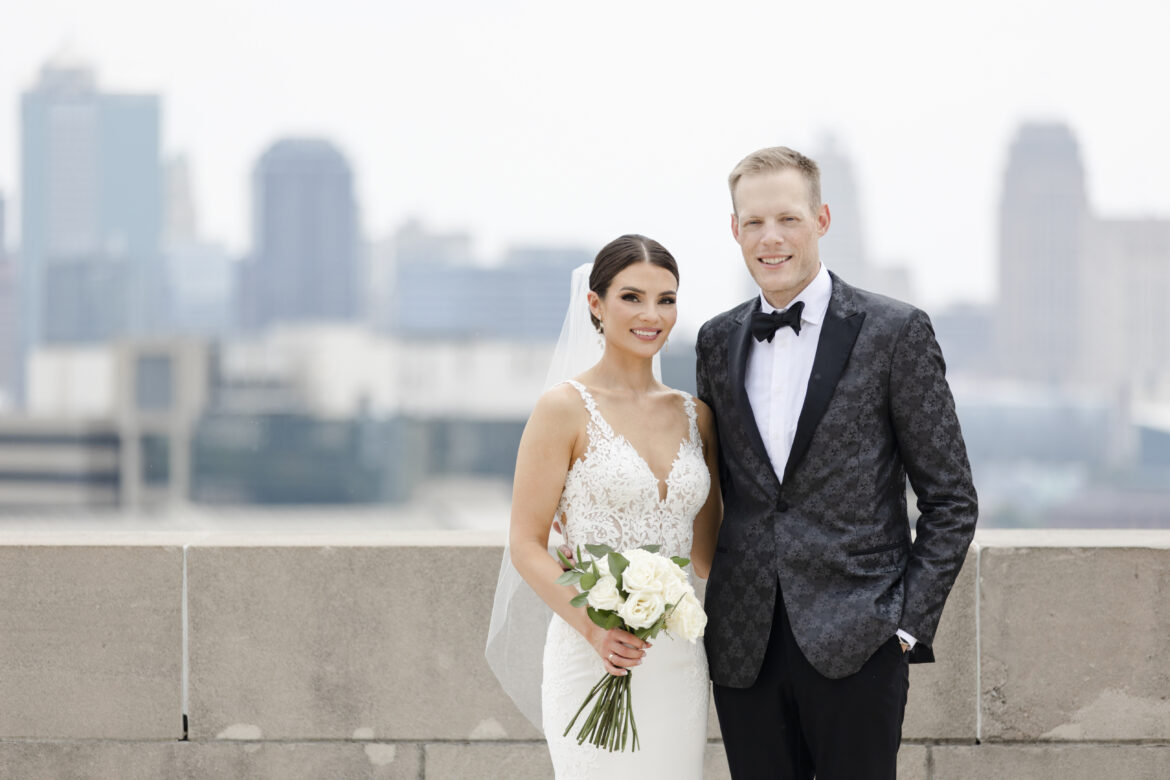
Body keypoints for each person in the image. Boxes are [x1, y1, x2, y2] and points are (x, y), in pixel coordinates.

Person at [696, 147, 978, 780]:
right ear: (734, 229)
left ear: (821, 219)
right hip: (746, 646)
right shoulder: (715, 340)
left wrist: (904, 629)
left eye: (788, 219)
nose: (770, 238)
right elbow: (720, 489)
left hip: (861, 640)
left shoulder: (894, 331)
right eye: (753, 222)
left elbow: (952, 500)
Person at [493, 234, 721, 778]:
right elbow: (526, 543)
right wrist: (595, 630)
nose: (652, 314)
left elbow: (709, 555)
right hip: (590, 652)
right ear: (595, 304)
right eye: (632, 297)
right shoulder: (562, 409)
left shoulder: (698, 416)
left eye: (666, 299)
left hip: (676, 661)